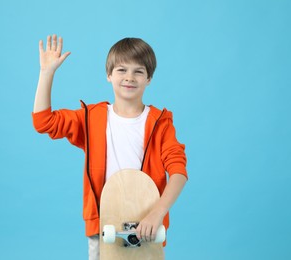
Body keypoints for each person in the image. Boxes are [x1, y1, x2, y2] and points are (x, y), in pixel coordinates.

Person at [32, 34, 188, 259]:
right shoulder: (91, 118)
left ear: (149, 78)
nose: (129, 77)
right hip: (103, 226)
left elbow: (179, 172)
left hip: (147, 225)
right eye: (122, 70)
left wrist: (157, 213)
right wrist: (46, 74)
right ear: (109, 75)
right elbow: (43, 122)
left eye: (138, 71)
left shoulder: (160, 122)